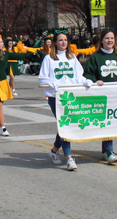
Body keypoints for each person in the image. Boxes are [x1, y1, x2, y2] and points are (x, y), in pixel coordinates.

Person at [39, 31, 90, 171]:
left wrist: (86, 82)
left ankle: (54, 151)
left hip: (71, 96)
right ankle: (69, 158)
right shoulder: (49, 59)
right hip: (56, 97)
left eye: (65, 40)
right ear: (55, 42)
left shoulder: (72, 57)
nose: (63, 42)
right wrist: (52, 83)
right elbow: (42, 78)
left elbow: (79, 76)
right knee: (64, 125)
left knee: (65, 125)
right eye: (60, 40)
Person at [83, 29, 117, 164]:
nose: (110, 41)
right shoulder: (95, 57)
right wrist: (94, 81)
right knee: (107, 122)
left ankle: (106, 151)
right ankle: (109, 151)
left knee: (111, 122)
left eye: (112, 38)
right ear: (102, 41)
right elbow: (88, 73)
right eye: (107, 38)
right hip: (102, 96)